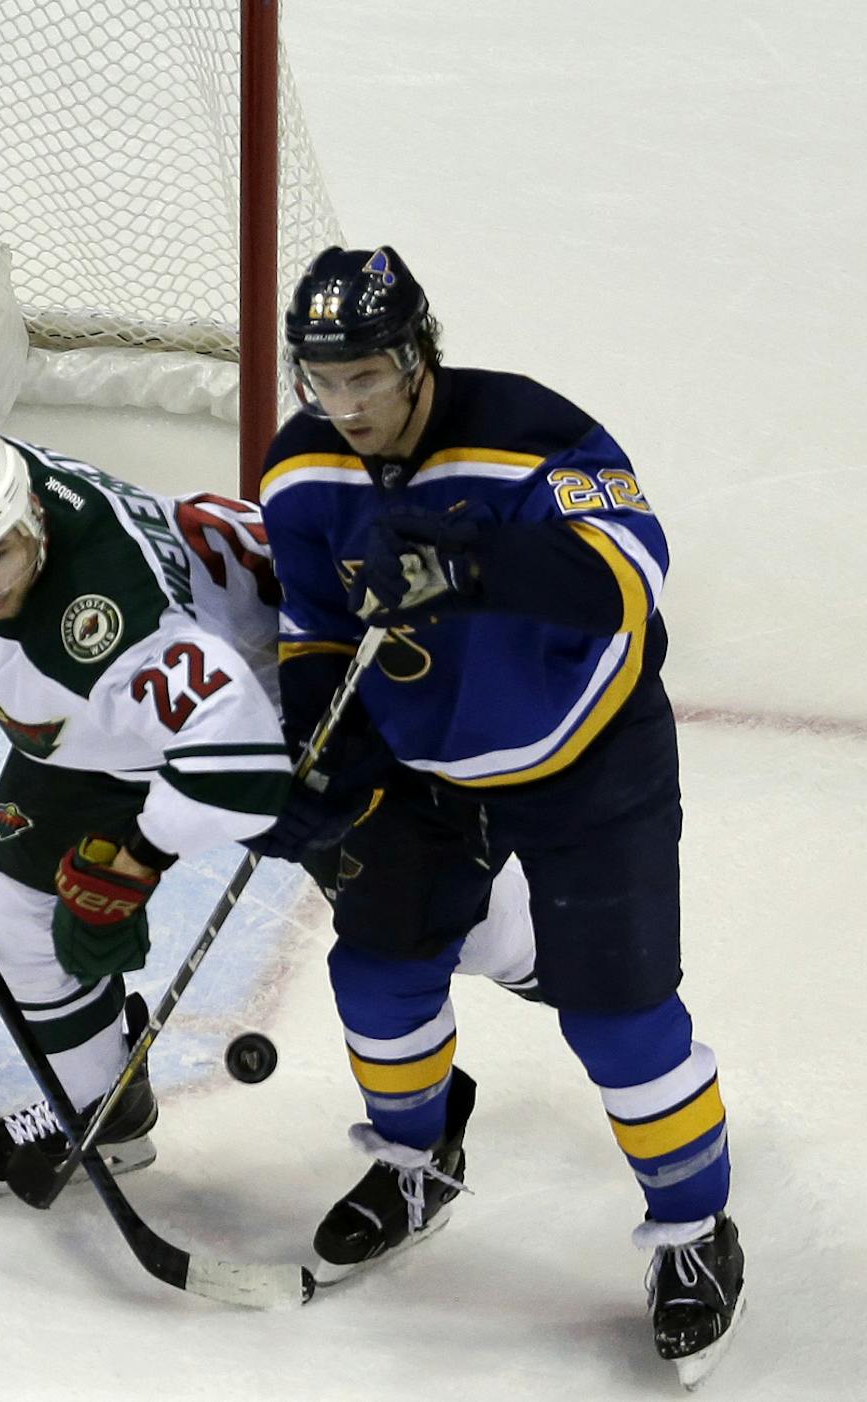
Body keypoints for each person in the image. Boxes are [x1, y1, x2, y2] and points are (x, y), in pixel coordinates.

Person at [0, 358, 535, 1196]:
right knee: (12, 910)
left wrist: (134, 861)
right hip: (116, 736)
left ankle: (573, 973)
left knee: (456, 927)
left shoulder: (104, 624)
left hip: (292, 711)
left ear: (31, 514)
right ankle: (99, 1108)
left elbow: (235, 763)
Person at [251, 246, 741, 1383]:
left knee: (618, 1017)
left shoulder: (533, 431)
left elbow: (633, 584)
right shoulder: (299, 470)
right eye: (324, 382)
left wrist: (472, 557)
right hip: (425, 773)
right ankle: (417, 1157)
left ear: (421, 354)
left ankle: (695, 1231)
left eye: (370, 375)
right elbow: (318, 626)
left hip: (590, 762)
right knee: (376, 977)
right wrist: (320, 744)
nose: (349, 406)